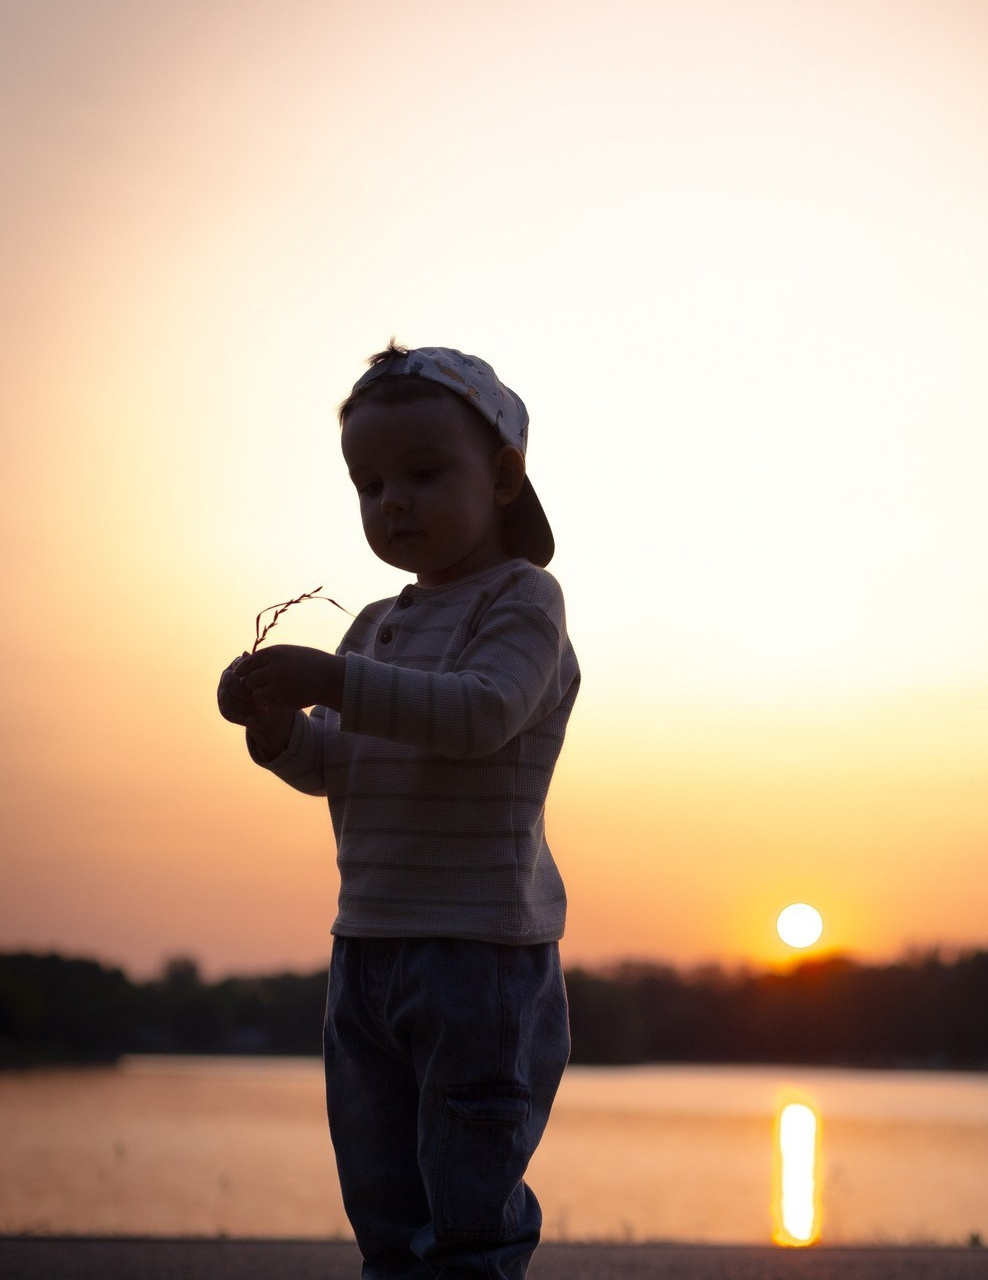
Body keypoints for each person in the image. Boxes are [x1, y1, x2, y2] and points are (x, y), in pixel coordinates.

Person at [216, 344, 580, 1279]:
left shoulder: (524, 602)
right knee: (382, 1201)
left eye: (424, 474)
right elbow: (339, 764)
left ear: (502, 477)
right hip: (367, 946)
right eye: (369, 484)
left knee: (467, 1208)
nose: (394, 504)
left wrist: (331, 678)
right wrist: (277, 731)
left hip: (476, 956)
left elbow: (480, 715)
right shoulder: (377, 622)